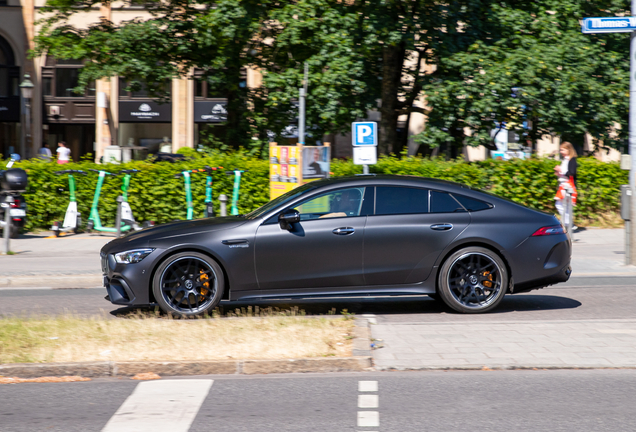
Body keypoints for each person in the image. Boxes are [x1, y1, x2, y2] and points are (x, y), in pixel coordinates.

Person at [554, 141, 578, 230]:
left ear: (568, 150)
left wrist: (561, 171)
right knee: (565, 206)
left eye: (562, 150)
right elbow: (565, 173)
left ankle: (569, 223)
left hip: (567, 186)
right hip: (564, 185)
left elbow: (572, 173)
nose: (561, 152)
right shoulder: (566, 159)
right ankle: (569, 224)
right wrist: (558, 172)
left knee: (559, 204)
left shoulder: (571, 160)